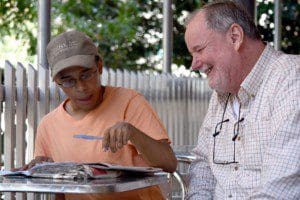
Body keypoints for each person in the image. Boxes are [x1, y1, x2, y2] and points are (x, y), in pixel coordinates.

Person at [22, 30, 177, 200]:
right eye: (68, 80)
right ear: (57, 83)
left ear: (100, 66)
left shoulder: (129, 102)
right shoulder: (48, 125)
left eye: (86, 75)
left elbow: (169, 163)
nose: (81, 87)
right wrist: (41, 170)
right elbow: (61, 193)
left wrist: (133, 133)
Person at [184, 1, 300, 199]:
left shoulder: (291, 79)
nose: (194, 65)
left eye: (199, 49)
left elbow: (278, 191)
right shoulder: (220, 95)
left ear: (235, 37)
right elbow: (204, 165)